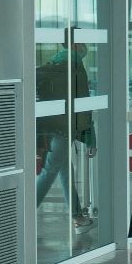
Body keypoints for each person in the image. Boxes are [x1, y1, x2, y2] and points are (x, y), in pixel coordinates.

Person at [36, 44, 95, 227]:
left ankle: (77, 216)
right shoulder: (76, 68)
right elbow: (83, 105)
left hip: (48, 126)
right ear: (76, 45)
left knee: (65, 172)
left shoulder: (53, 64)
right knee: (50, 170)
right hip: (64, 128)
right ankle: (24, 212)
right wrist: (90, 138)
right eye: (84, 45)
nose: (86, 49)